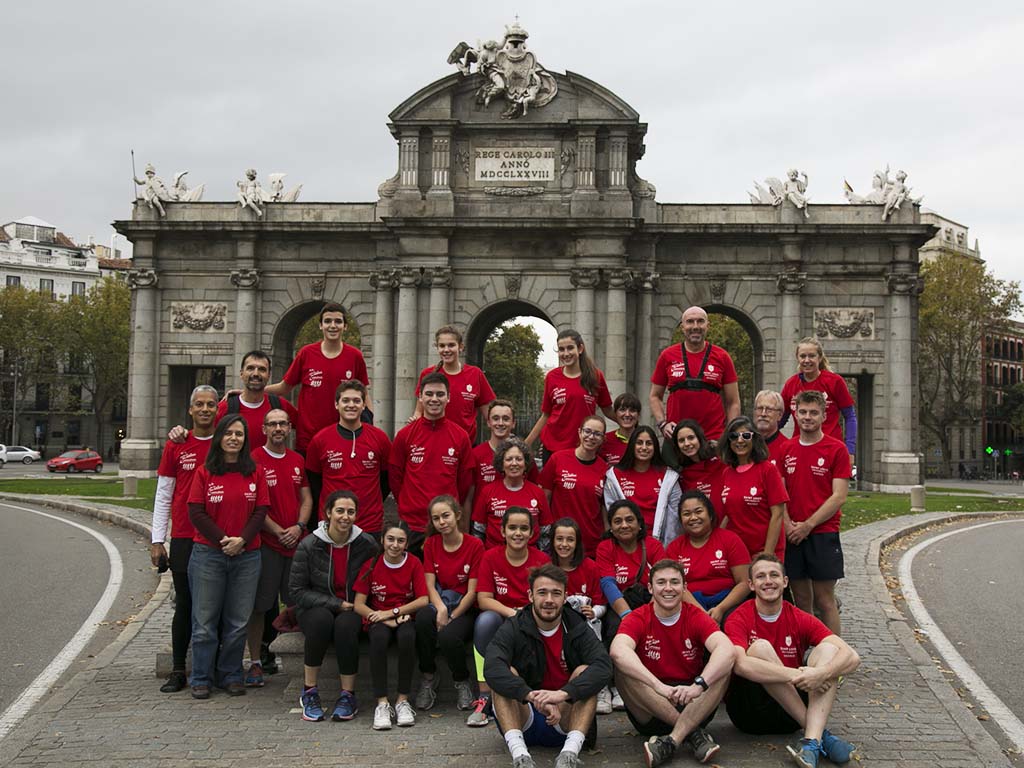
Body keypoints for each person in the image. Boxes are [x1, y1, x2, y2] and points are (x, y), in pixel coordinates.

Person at [725, 554, 860, 768]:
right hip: (750, 711)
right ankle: (818, 735)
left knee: (828, 651)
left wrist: (821, 673)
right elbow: (740, 665)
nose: (768, 581)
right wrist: (799, 675)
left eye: (774, 575)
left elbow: (851, 656)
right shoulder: (738, 616)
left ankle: (811, 742)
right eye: (760, 576)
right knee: (760, 648)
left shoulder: (798, 617)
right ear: (751, 584)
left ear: (785, 582)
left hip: (789, 716)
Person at [485, 563, 613, 768]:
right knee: (504, 673)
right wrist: (530, 695)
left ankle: (569, 755)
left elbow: (604, 666)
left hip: (565, 717)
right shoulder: (514, 625)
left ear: (565, 597)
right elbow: (492, 667)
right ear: (530, 596)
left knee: (586, 672)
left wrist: (562, 694)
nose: (549, 600)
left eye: (556, 593)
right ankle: (520, 756)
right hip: (524, 715)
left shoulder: (577, 625)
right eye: (542, 593)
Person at [609, 559, 734, 767]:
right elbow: (618, 651)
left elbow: (727, 650)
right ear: (650, 588)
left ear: (684, 587)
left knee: (725, 667)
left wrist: (698, 685)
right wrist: (659, 687)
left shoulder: (695, 615)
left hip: (693, 702)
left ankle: (672, 740)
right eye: (661, 582)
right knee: (622, 668)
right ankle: (693, 734)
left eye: (675, 582)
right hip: (650, 705)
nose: (668, 588)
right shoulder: (638, 617)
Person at [186, 415, 269, 699]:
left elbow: (260, 511)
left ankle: (231, 674)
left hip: (247, 555)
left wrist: (242, 540)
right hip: (209, 554)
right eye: (229, 433)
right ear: (220, 437)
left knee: (238, 622)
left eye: (240, 434)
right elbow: (196, 511)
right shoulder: (204, 472)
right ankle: (201, 676)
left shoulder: (254, 472)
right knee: (205, 622)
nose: (234, 438)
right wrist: (223, 541)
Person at [150, 384, 218, 693]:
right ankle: (179, 669)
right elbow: (164, 494)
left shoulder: (226, 443)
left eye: (211, 404)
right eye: (199, 404)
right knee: (185, 604)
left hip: (216, 537)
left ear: (218, 410)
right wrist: (156, 539)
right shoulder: (176, 445)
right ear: (190, 410)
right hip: (184, 537)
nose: (205, 409)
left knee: (216, 606)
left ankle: (213, 669)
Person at [289, 490, 378, 722]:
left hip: (352, 609)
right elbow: (297, 591)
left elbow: (376, 582)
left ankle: (347, 695)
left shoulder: (366, 544)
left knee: (346, 626)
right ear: (328, 513)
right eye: (339, 511)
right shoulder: (309, 545)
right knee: (321, 620)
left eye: (351, 512)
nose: (345, 517)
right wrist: (337, 604)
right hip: (315, 607)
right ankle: (309, 691)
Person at [245, 409, 312, 688]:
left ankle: (301, 664)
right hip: (267, 544)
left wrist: (298, 526)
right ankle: (256, 662)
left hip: (296, 543)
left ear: (289, 428)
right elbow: (254, 503)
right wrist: (277, 530)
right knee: (260, 606)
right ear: (264, 429)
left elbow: (306, 498)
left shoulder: (297, 460)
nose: (277, 428)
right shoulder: (254, 460)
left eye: (282, 423)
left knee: (298, 604)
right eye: (272, 424)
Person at [470, 507, 550, 727]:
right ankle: (484, 695)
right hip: (504, 618)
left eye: (524, 528)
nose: (518, 533)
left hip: (532, 618)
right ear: (502, 531)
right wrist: (512, 613)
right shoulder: (490, 557)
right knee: (485, 620)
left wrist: (525, 614)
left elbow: (547, 597)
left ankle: (535, 693)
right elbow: (484, 598)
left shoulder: (542, 559)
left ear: (532, 532)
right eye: (512, 527)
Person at [782, 391, 851, 636]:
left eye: (813, 412)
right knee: (802, 602)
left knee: (824, 601)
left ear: (824, 415)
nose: (807, 417)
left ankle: (834, 656)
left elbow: (839, 496)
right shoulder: (786, 448)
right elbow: (780, 494)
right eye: (803, 412)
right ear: (795, 414)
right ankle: (808, 653)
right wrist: (789, 525)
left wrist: (807, 525)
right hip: (792, 535)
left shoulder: (837, 449)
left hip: (822, 533)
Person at [264, 303, 371, 453]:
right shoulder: (306, 353)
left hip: (343, 436)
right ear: (320, 325)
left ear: (345, 326)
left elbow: (363, 392)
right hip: (308, 439)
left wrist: (369, 426)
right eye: (327, 321)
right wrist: (249, 392)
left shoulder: (355, 356)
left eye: (338, 321)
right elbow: (284, 387)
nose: (332, 326)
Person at [389, 371, 474, 556]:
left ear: (449, 398)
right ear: (420, 397)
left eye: (440, 394)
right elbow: (395, 478)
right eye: (429, 394)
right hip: (411, 523)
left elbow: (464, 481)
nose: (434, 399)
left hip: (446, 525)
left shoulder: (460, 437)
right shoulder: (405, 435)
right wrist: (408, 503)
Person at [353, 522, 429, 730]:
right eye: (391, 539)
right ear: (382, 540)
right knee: (378, 640)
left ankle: (402, 701)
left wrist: (395, 613)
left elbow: (423, 599)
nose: (395, 545)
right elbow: (358, 604)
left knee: (407, 638)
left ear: (406, 544)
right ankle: (382, 703)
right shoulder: (371, 564)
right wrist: (382, 618)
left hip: (404, 617)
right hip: (378, 618)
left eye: (401, 541)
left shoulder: (413, 563)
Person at [416, 496, 484, 712]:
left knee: (448, 636)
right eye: (436, 518)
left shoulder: (474, 545)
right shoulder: (431, 544)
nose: (441, 522)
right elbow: (429, 584)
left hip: (465, 607)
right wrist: (442, 610)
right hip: (440, 601)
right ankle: (428, 677)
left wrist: (452, 617)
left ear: (457, 515)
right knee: (422, 619)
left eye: (445, 516)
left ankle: (462, 681)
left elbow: (473, 592)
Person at [304, 380, 391, 535]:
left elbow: (386, 479)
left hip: (370, 525)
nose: (351, 405)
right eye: (345, 400)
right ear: (336, 405)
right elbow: (314, 483)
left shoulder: (380, 438)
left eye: (357, 401)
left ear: (364, 405)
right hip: (331, 525)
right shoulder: (320, 440)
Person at [168, 351, 298, 450]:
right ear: (241, 373)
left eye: (262, 369)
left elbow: (307, 427)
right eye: (250, 368)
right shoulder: (226, 407)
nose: (256, 374)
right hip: (236, 479)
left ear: (268, 375)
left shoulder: (280, 406)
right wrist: (182, 433)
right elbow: (202, 433)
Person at [649, 306, 740, 443]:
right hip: (678, 438)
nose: (695, 326)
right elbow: (655, 396)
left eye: (700, 321)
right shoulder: (667, 356)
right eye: (690, 321)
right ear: (682, 327)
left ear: (708, 326)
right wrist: (662, 423)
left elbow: (733, 402)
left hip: (713, 438)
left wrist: (730, 434)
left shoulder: (722, 357)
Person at [550, 517, 610, 714]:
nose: (564, 545)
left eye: (570, 540)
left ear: (577, 543)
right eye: (559, 539)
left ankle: (601, 688)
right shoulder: (547, 565)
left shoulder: (589, 566)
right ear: (552, 541)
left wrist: (593, 611)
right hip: (555, 622)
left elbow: (601, 603)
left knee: (594, 633)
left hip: (585, 625)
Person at [526, 330, 614, 464]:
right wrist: (526, 444)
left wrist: (629, 426)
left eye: (570, 348)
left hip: (583, 448)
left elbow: (607, 410)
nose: (566, 354)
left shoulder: (596, 376)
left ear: (580, 349)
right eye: (561, 349)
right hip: (553, 448)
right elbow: (546, 415)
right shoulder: (551, 377)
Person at [665, 490, 750, 623]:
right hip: (689, 606)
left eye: (698, 511)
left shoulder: (730, 539)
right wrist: (700, 612)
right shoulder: (674, 548)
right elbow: (674, 585)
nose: (693, 518)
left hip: (727, 604)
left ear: (710, 514)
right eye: (687, 514)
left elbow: (745, 582)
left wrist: (721, 609)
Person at [717, 415, 789, 562]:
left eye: (746, 435)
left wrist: (767, 556)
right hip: (738, 553)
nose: (740, 440)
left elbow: (777, 514)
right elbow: (728, 514)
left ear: (754, 438)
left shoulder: (768, 470)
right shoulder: (727, 473)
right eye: (734, 436)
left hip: (765, 551)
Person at [597, 499, 666, 645]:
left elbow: (663, 581)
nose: (624, 525)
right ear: (611, 527)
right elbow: (608, 584)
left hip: (653, 603)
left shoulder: (653, 545)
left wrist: (650, 614)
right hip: (620, 604)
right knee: (617, 631)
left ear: (639, 524)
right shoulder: (605, 547)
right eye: (617, 521)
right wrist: (627, 616)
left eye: (629, 520)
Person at [538, 415, 609, 557]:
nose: (591, 437)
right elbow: (544, 498)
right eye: (587, 431)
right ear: (579, 432)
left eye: (597, 434)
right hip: (560, 542)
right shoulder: (558, 459)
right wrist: (547, 531)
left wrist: (606, 536)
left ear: (602, 439)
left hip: (590, 542)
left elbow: (603, 508)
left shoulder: (605, 469)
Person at [780, 338, 857, 468]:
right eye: (803, 356)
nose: (807, 360)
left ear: (819, 357)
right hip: (800, 450)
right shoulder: (791, 384)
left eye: (812, 356)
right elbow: (780, 419)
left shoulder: (834, 381)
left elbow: (850, 417)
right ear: (797, 358)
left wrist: (850, 450)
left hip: (830, 450)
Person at [413, 325, 496, 442]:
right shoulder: (428, 374)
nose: (446, 350)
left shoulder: (475, 374)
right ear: (437, 348)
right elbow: (418, 411)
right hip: (434, 442)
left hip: (466, 446)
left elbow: (489, 415)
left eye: (451, 345)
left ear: (461, 347)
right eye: (442, 346)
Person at [472, 437, 552, 550]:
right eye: (509, 459)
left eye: (519, 459)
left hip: (531, 558)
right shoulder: (487, 491)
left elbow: (545, 533)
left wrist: (543, 563)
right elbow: (478, 531)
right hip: (494, 557)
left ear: (526, 463)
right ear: (501, 464)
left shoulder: (538, 492)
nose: (514, 463)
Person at [604, 426, 681, 543]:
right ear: (631, 446)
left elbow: (674, 518)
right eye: (639, 443)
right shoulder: (614, 476)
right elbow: (612, 512)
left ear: (655, 447)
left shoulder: (669, 477)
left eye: (649, 443)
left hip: (660, 544)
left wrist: (665, 548)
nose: (644, 447)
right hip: (626, 544)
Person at [467, 399, 539, 518]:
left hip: (519, 526)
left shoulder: (523, 456)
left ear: (513, 423)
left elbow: (535, 490)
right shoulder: (476, 455)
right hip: (485, 524)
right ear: (488, 422)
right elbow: (469, 497)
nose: (500, 423)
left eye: (506, 419)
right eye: (495, 418)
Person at [666, 419, 724, 502]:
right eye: (681, 440)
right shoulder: (681, 477)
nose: (687, 443)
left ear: (699, 438)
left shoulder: (720, 463)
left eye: (691, 438)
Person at [600, 393, 641, 465]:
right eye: (622, 410)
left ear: (638, 415)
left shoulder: (646, 440)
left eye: (632, 410)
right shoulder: (604, 440)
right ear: (615, 413)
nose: (627, 414)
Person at [754, 389, 791, 468]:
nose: (763, 414)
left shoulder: (787, 449)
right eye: (760, 408)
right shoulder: (745, 444)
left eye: (769, 410)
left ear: (780, 415)